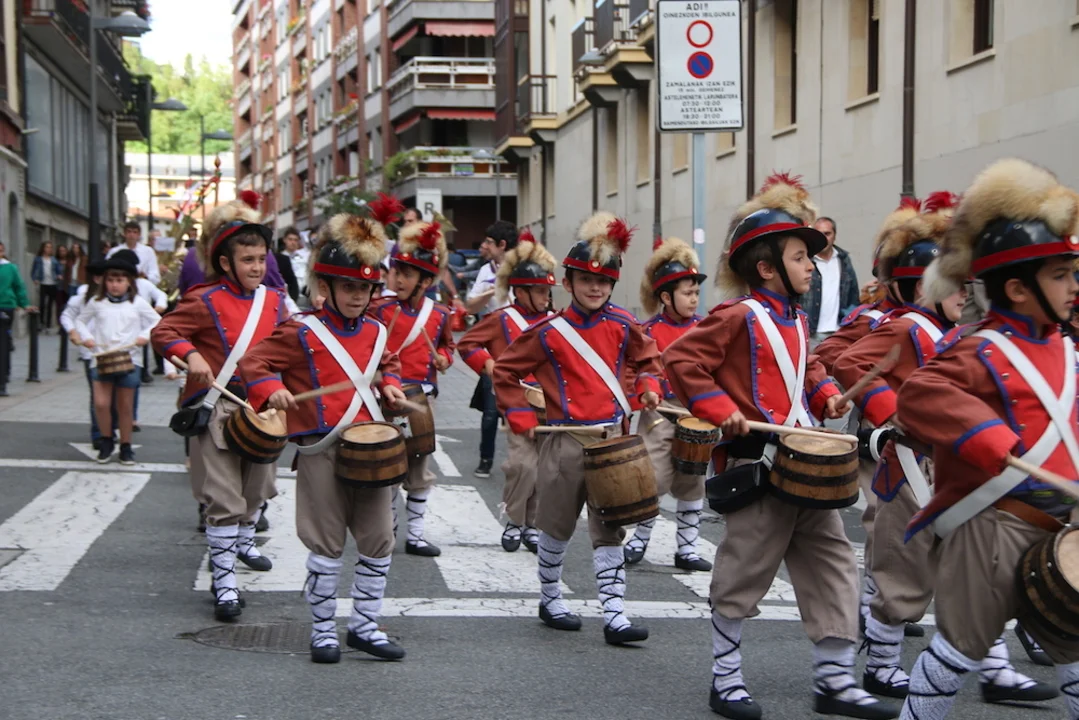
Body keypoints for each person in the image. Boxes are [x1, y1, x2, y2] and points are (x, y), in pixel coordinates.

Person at [663, 173, 897, 720]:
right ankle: (726, 679)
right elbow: (682, 360)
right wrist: (719, 408)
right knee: (743, 571)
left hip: (806, 464)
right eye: (799, 257)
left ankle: (835, 681)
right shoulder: (736, 316)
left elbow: (806, 368)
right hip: (759, 466)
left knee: (834, 565)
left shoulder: (795, 319)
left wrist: (828, 394)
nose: (811, 265)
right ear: (766, 268)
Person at [833, 192, 1055, 707]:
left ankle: (995, 669)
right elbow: (848, 363)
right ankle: (882, 665)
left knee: (977, 568)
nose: (962, 292)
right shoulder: (906, 326)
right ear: (923, 286)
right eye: (952, 283)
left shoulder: (960, 336)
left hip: (953, 469)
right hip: (908, 468)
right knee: (902, 573)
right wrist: (893, 411)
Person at [893, 158, 1079, 720]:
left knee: (1075, 652)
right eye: (1060, 275)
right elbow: (920, 395)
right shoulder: (982, 349)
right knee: (958, 652)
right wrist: (992, 438)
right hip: (994, 525)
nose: (1074, 286)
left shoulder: (1066, 349)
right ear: (1017, 288)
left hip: (1062, 526)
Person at [240, 207, 409, 664]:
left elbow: (388, 363)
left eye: (365, 289)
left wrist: (391, 385)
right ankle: (322, 632)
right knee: (326, 543)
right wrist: (271, 389)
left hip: (372, 449)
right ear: (326, 287)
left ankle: (365, 626)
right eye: (349, 287)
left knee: (378, 539)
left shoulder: (376, 331)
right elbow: (254, 362)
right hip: (322, 450)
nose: (358, 296)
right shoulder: (301, 331)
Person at [493, 211, 662, 646]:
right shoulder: (548, 332)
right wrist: (520, 415)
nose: (595, 288)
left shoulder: (624, 324)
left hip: (612, 443)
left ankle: (615, 615)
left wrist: (648, 386)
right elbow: (505, 372)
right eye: (586, 279)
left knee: (610, 529)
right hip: (564, 440)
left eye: (604, 281)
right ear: (567, 283)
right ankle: (550, 599)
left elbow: (649, 361)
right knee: (556, 525)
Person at [150, 191, 291, 622]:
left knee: (257, 488)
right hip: (218, 408)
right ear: (226, 263)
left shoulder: (273, 301)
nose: (257, 267)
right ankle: (225, 582)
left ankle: (244, 543)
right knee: (224, 495)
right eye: (247, 260)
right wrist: (190, 355)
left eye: (261, 259)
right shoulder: (204, 298)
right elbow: (163, 331)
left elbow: (290, 347)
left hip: (261, 408)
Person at [813, 196, 922, 637]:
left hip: (927, 441)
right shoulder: (874, 320)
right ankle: (875, 607)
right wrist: (875, 393)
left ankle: (888, 603)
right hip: (882, 436)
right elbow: (830, 353)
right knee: (884, 521)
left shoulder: (942, 325)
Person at [457, 228, 555, 552]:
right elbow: (468, 344)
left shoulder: (555, 321)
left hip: (551, 405)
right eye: (539, 291)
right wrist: (487, 363)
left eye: (547, 291)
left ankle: (533, 523)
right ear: (521, 291)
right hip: (517, 401)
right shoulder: (502, 318)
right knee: (522, 464)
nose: (546, 297)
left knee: (544, 468)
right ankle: (514, 518)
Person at [368, 208, 456, 557]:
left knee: (419, 466)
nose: (398, 279)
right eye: (396, 271)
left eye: (407, 274)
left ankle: (416, 534)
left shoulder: (439, 314)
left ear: (426, 280)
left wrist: (444, 358)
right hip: (385, 396)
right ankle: (387, 530)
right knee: (387, 465)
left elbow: (448, 346)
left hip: (421, 399)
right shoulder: (379, 309)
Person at [623, 236, 711, 572]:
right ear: (665, 297)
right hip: (658, 412)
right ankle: (640, 538)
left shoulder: (705, 329)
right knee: (654, 478)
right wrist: (645, 392)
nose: (694, 299)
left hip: (695, 414)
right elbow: (634, 370)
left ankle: (686, 549)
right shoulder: (647, 331)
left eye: (696, 292)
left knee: (693, 480)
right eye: (687, 293)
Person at [74, 253, 160, 465]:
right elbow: (80, 321)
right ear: (104, 282)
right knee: (101, 404)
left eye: (120, 280)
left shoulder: (137, 303)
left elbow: (157, 321)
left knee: (125, 406)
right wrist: (87, 338)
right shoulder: (97, 302)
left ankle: (126, 446)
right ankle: (106, 440)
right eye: (111, 280)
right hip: (102, 358)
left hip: (130, 359)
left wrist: (144, 336)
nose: (115, 285)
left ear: (129, 282)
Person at [465, 220, 520, 478]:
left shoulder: (523, 268)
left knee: (523, 406)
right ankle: (485, 459)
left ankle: (520, 459)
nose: (484, 246)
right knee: (490, 412)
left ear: (502, 245)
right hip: (494, 344)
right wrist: (491, 291)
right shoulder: (485, 270)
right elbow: (471, 307)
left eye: (489, 242)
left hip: (520, 342)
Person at [61, 260, 117, 450]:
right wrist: (72, 331)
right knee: (98, 396)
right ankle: (99, 434)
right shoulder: (82, 298)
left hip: (115, 350)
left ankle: (111, 429)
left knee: (115, 394)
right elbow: (67, 316)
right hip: (91, 353)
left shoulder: (116, 298)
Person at [800, 216, 860, 345]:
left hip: (839, 332)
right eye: (819, 234)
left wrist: (850, 325)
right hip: (811, 333)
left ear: (835, 235)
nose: (823, 238)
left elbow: (853, 296)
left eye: (827, 234)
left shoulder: (843, 260)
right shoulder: (805, 261)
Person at [0, 241, 35, 386]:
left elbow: (18, 286)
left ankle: (4, 372)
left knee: (3, 340)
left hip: (6, 305)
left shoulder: (10, 268)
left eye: (0, 251)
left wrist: (24, 303)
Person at [31, 241, 61, 331]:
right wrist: (35, 279)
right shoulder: (38, 259)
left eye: (50, 247)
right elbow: (33, 270)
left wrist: (59, 275)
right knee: (42, 303)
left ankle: (48, 325)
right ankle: (41, 323)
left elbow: (58, 270)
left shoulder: (54, 259)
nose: (49, 249)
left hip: (53, 283)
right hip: (43, 283)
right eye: (47, 247)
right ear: (43, 248)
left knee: (50, 305)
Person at [280, 226, 308, 299]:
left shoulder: (304, 258)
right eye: (290, 239)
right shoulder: (279, 259)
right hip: (287, 296)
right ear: (284, 240)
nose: (293, 242)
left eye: (296, 240)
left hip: (304, 296)